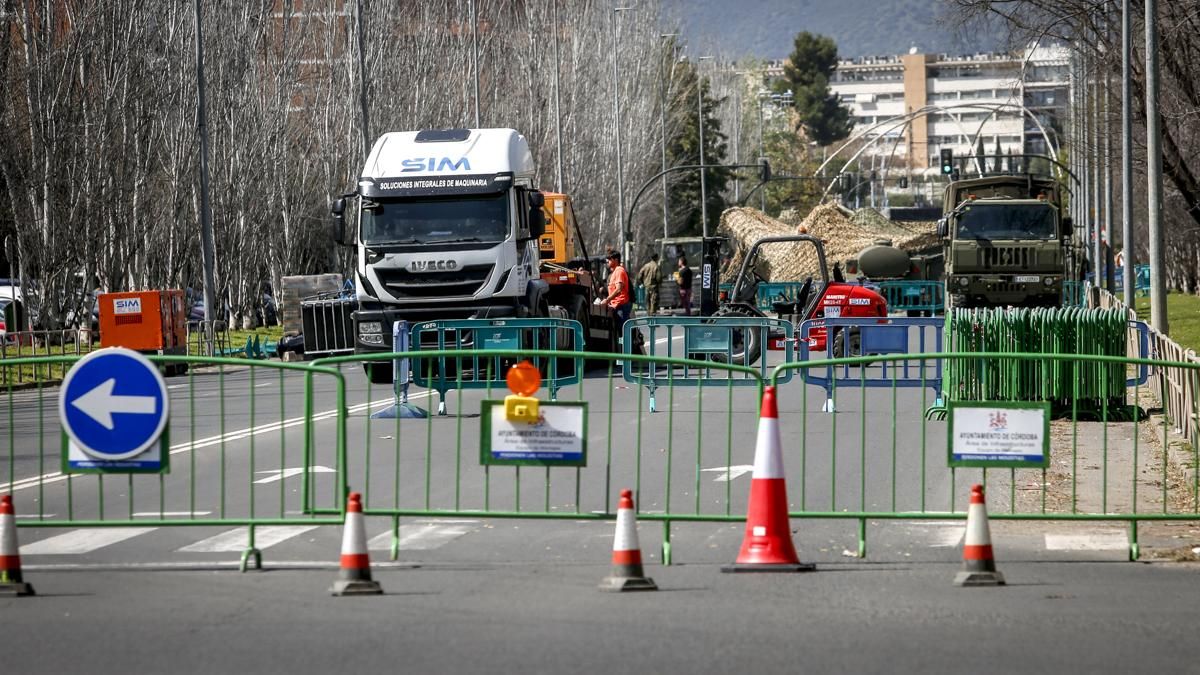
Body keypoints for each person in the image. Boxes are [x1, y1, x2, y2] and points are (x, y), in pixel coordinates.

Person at [601, 250, 633, 335]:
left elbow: (619, 289)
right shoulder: (615, 272)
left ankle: (626, 348)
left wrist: (607, 300)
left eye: (609, 259)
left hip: (621, 306)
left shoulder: (619, 271)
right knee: (620, 332)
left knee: (623, 332)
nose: (608, 261)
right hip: (618, 306)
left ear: (615, 260)